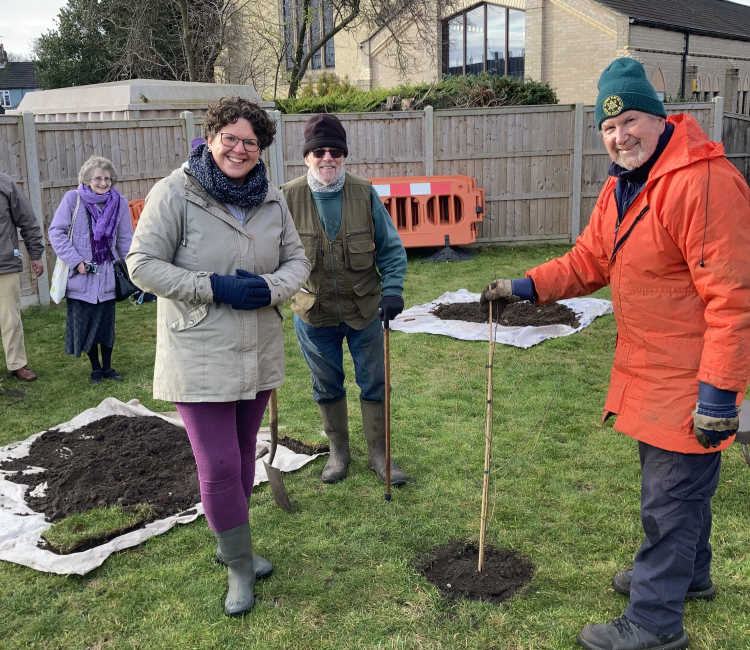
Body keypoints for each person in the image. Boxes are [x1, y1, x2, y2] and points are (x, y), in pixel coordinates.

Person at [481, 58, 750, 650]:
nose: (619, 135)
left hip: (691, 373)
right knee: (679, 488)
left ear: (657, 118)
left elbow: (734, 297)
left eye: (629, 120)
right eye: (608, 127)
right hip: (650, 367)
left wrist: (719, 395)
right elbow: (588, 261)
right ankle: (691, 576)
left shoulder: (701, 181)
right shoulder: (624, 184)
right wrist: (524, 286)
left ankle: (654, 623)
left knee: (670, 497)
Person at [126, 96, 310, 617]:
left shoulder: (271, 197)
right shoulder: (176, 191)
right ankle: (237, 566)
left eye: (250, 141)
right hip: (199, 349)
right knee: (221, 465)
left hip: (257, 349)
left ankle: (237, 545)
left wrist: (270, 288)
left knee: (244, 452)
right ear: (211, 137)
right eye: (230, 137)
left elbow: (298, 260)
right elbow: (140, 264)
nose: (239, 148)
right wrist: (216, 287)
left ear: (261, 150)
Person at [282, 113, 409, 486]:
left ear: (344, 156)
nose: (327, 158)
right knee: (326, 385)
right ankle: (338, 453)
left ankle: (380, 456)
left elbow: (391, 249)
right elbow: (272, 257)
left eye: (335, 151)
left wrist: (393, 291)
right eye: (319, 151)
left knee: (374, 383)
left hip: (364, 309)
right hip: (313, 313)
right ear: (307, 156)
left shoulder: (363, 192)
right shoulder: (287, 197)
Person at [48, 156, 133, 384]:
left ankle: (108, 367)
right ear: (86, 179)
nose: (103, 183)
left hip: (107, 276)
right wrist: (76, 262)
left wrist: (131, 267)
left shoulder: (120, 203)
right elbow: (56, 232)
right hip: (81, 275)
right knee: (86, 324)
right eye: (97, 178)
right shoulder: (73, 200)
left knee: (106, 324)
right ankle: (95, 368)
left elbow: (125, 239)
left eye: (107, 179)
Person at [0, 172, 45, 381]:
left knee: (10, 319)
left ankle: (17, 364)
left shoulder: (6, 184)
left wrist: (35, 255)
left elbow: (27, 220)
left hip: (4, 264)